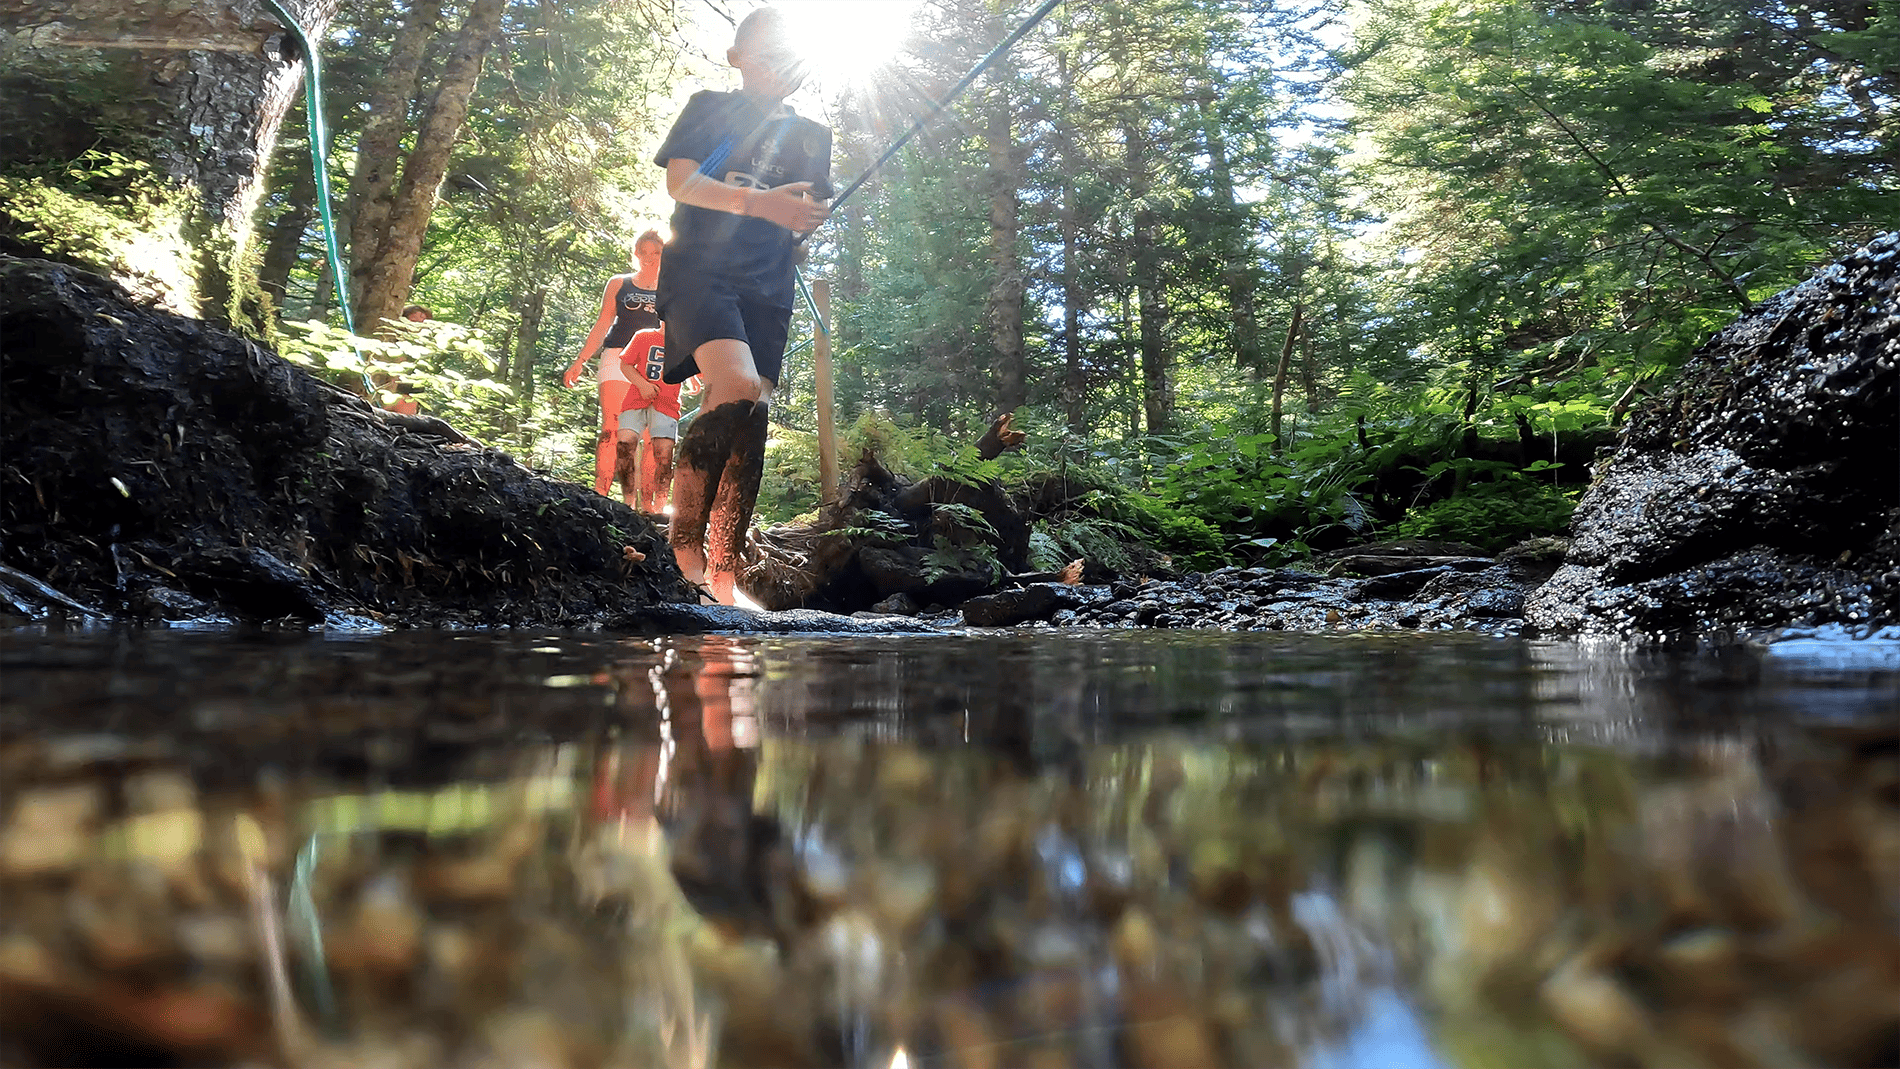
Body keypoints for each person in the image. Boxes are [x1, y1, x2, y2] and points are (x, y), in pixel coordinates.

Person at [653, 5, 832, 604]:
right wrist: (761, 205)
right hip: (701, 270)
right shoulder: (710, 108)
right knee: (735, 384)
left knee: (756, 411)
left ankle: (726, 570)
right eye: (769, 49)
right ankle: (684, 548)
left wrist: (804, 218)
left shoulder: (813, 134)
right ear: (738, 58)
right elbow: (682, 183)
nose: (784, 61)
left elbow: (803, 213)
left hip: (770, 284)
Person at [564, 230, 665, 497]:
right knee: (612, 428)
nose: (649, 258)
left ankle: (648, 507)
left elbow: (677, 329)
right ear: (636, 254)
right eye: (643, 251)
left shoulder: (673, 287)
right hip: (618, 357)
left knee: (652, 435)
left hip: (655, 361)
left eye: (656, 252)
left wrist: (687, 368)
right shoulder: (620, 283)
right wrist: (580, 360)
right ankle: (601, 495)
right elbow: (603, 322)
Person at [614, 327, 700, 513]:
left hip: (667, 404)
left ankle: (658, 507)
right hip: (636, 400)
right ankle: (628, 502)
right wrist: (642, 384)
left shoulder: (686, 342)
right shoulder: (644, 336)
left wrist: (692, 378)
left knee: (663, 453)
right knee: (624, 444)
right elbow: (625, 364)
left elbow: (694, 366)